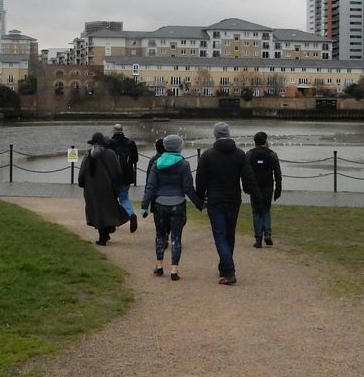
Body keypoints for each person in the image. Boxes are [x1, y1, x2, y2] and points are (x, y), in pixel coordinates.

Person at [195, 121, 257, 286]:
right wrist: (252, 192)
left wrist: (199, 198)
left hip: (215, 199)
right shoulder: (240, 154)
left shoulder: (207, 155)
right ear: (228, 134)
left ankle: (229, 271)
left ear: (215, 135)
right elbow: (248, 176)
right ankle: (224, 266)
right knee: (229, 234)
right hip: (233, 198)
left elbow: (200, 180)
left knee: (220, 234)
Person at [140, 134, 202, 281]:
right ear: (179, 147)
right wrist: (198, 203)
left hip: (160, 203)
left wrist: (144, 205)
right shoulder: (184, 164)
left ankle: (159, 265)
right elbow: (188, 187)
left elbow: (151, 186)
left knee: (160, 235)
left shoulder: (157, 163)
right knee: (176, 237)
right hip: (178, 203)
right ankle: (174, 269)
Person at [77, 131, 127, 245]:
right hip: (107, 188)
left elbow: (81, 175)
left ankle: (103, 237)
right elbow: (118, 172)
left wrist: (82, 184)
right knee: (108, 210)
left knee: (97, 212)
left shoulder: (87, 157)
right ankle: (106, 232)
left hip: (91, 190)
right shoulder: (111, 154)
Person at [247, 131, 282, 248]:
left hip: (254, 187)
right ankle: (267, 233)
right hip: (268, 187)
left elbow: (245, 172)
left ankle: (258, 238)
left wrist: (246, 186)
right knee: (266, 210)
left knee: (256, 212)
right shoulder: (272, 154)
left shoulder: (250, 154)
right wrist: (278, 188)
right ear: (265, 141)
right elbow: (277, 173)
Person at [109, 123, 140, 232]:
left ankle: (113, 221)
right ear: (122, 130)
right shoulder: (130, 143)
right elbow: (135, 159)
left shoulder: (110, 143)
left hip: (113, 176)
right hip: (127, 176)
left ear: (113, 131)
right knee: (124, 198)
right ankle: (131, 214)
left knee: (111, 199)